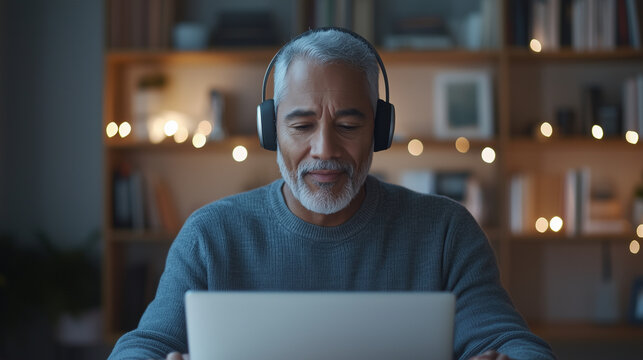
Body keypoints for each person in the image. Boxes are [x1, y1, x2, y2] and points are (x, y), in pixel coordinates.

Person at [108, 28, 555, 360]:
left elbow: (513, 343)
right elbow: (145, 345)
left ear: (379, 131)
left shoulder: (444, 231)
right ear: (271, 131)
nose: (324, 149)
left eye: (348, 125)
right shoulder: (211, 234)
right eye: (302, 126)